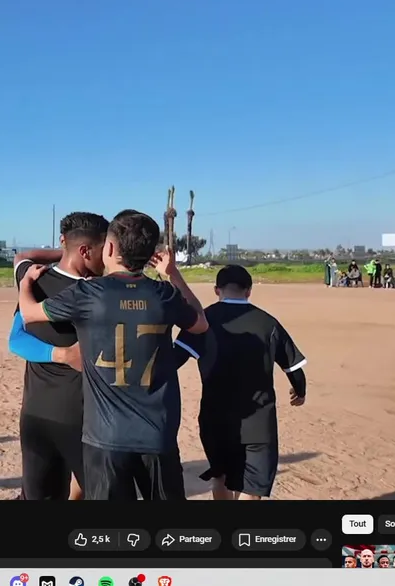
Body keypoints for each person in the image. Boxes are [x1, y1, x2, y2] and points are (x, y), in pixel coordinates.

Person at [18, 210, 210, 501]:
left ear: (108, 248)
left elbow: (29, 314)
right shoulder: (164, 295)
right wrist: (173, 274)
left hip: (105, 438)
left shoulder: (88, 293)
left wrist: (25, 284)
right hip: (157, 435)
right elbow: (201, 322)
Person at [176, 265, 306, 501]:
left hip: (215, 418)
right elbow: (294, 368)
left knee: (220, 476)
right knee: (252, 486)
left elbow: (173, 359)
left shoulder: (204, 321)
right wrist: (300, 391)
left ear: (217, 290)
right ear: (249, 291)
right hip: (259, 423)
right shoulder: (268, 323)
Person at [8, 212, 108, 501]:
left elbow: (16, 340)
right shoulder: (95, 294)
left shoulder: (32, 279)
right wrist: (64, 354)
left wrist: (66, 249)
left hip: (35, 412)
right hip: (81, 417)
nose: (107, 258)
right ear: (86, 251)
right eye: (104, 249)